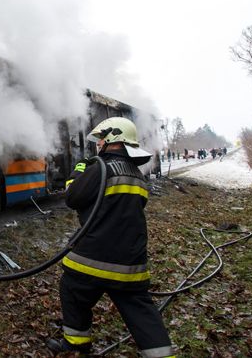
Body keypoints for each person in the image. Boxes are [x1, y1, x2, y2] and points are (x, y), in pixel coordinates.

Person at [46, 117, 175, 357]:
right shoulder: (138, 175)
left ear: (111, 140)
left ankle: (76, 345)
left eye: (100, 139)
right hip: (131, 263)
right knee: (141, 310)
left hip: (92, 260)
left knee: (72, 290)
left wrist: (78, 170)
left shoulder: (100, 168)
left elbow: (73, 198)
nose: (97, 144)